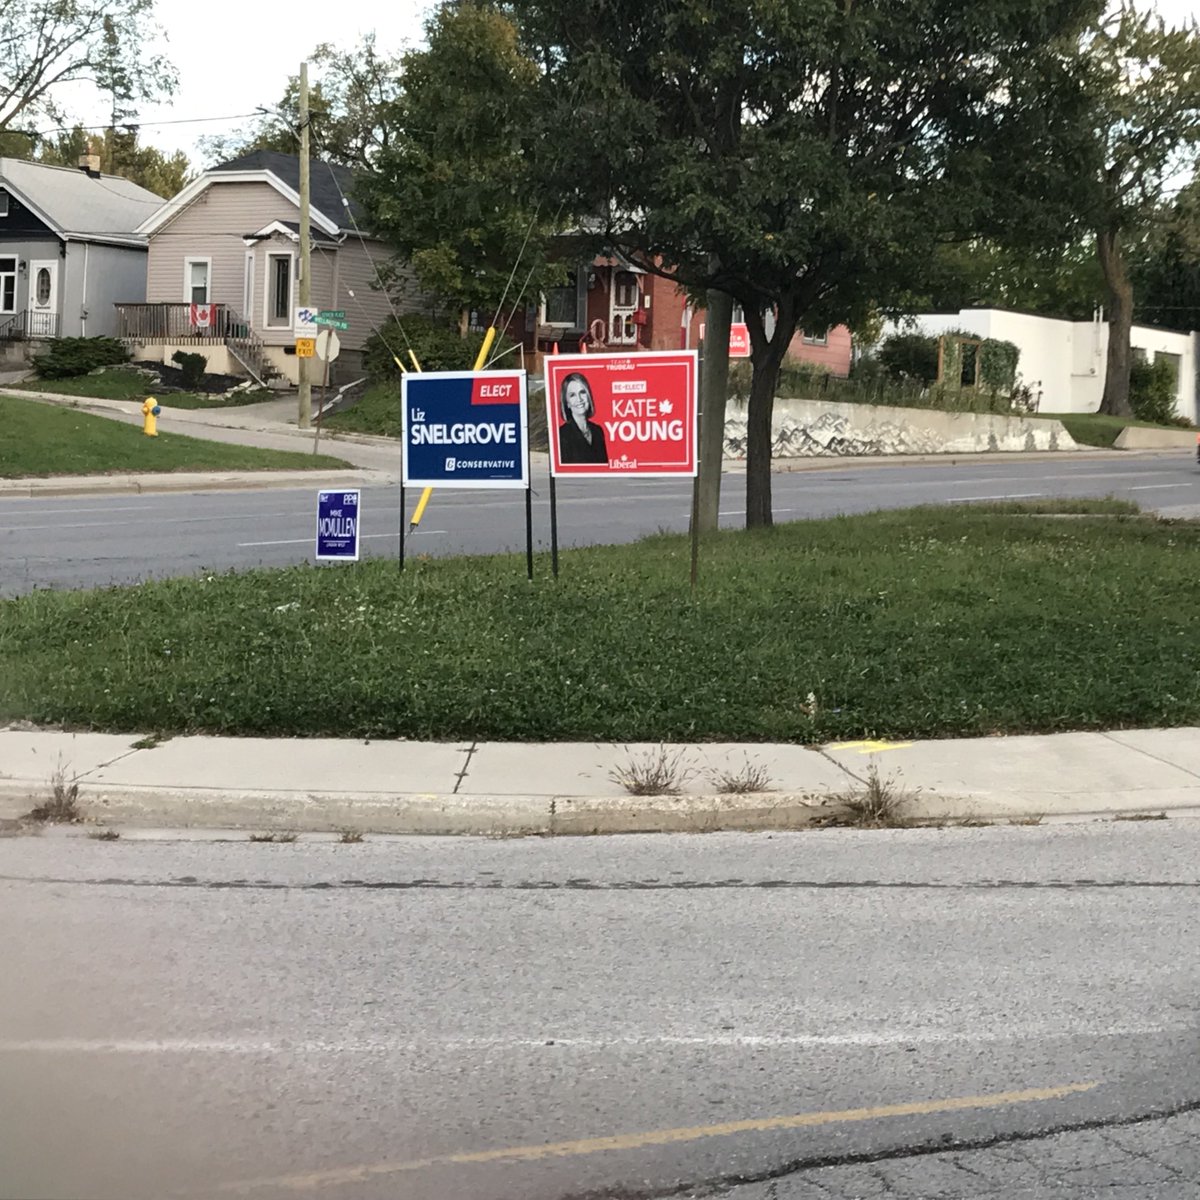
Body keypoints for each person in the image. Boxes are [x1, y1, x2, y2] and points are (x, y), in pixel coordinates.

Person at [557, 372, 609, 464]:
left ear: (588, 396)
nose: (579, 399)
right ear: (567, 403)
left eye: (582, 392)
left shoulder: (597, 431)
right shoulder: (562, 435)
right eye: (572, 395)